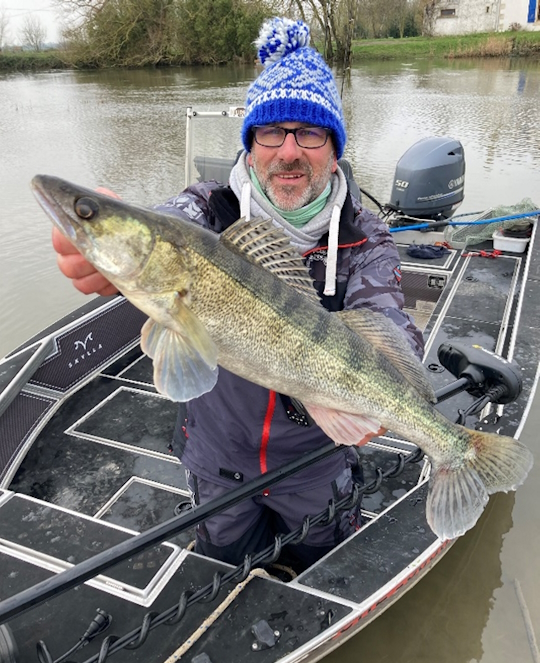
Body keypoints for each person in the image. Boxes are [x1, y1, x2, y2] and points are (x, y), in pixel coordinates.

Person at [53, 17, 424, 575]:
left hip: (315, 463)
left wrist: (364, 397)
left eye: (310, 133)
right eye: (270, 132)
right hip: (215, 456)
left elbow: (386, 323)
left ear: (334, 147)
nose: (289, 152)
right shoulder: (204, 210)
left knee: (322, 566)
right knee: (224, 567)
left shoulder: (366, 235)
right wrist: (103, 254)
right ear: (250, 145)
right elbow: (168, 223)